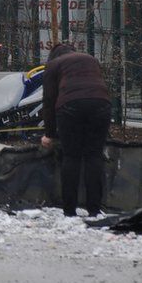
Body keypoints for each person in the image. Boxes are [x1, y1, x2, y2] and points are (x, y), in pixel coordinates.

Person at [41, 42, 111, 217]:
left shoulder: (53, 65)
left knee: (71, 156)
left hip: (70, 106)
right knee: (94, 155)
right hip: (101, 104)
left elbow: (49, 101)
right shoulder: (90, 59)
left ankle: (69, 210)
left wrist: (49, 134)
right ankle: (94, 209)